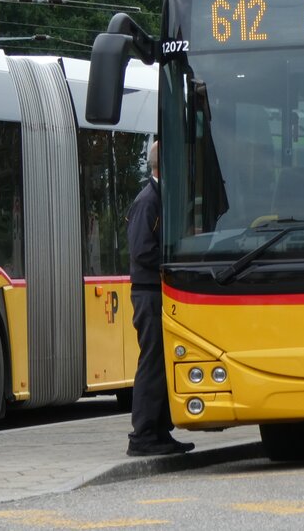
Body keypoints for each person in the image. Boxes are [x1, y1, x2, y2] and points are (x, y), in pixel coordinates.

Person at [126, 139, 195, 457]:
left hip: (159, 293)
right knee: (152, 363)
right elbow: (142, 251)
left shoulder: (159, 198)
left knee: (163, 363)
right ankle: (143, 435)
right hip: (150, 294)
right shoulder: (147, 201)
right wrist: (173, 262)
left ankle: (159, 431)